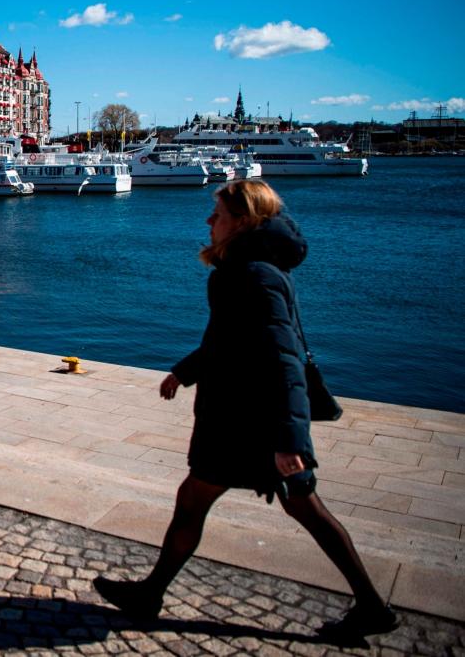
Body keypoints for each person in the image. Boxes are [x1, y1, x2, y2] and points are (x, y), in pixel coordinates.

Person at [92, 181, 397, 642]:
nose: (208, 221)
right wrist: (184, 372)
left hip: (248, 423)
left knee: (217, 502)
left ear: (243, 220)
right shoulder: (246, 270)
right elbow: (229, 340)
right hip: (246, 418)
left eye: (217, 213)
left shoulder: (253, 274)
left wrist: (290, 442)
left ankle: (151, 594)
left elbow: (284, 358)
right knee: (289, 507)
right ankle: (372, 606)